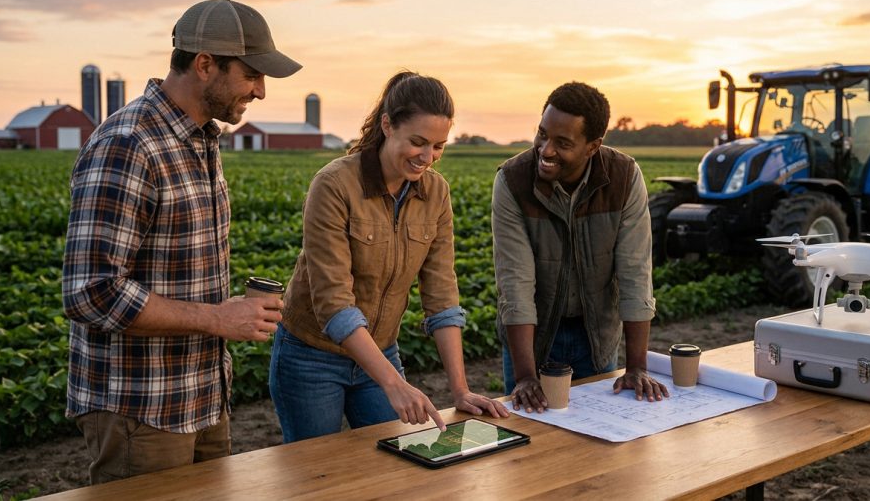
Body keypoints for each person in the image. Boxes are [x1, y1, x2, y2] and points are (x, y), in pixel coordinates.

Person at [62, 0, 301, 483]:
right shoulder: (129, 143)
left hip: (203, 397)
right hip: (141, 408)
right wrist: (217, 318)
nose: (260, 91)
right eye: (252, 75)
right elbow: (91, 293)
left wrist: (228, 315)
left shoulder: (200, 139)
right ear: (205, 64)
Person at [270, 71, 509, 442]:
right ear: (387, 125)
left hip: (381, 351)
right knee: (315, 468)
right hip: (312, 357)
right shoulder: (334, 185)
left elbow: (442, 295)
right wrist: (394, 384)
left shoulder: (436, 193)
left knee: (400, 458)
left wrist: (460, 390)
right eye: (418, 142)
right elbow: (334, 303)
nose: (428, 157)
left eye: (439, 146)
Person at [492, 81, 669, 412]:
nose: (546, 150)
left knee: (597, 426)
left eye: (562, 143)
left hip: (595, 334)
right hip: (532, 335)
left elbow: (635, 273)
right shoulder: (513, 181)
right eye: (542, 134)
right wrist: (525, 376)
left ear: (592, 147)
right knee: (531, 431)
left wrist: (636, 367)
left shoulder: (624, 178)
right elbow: (515, 283)